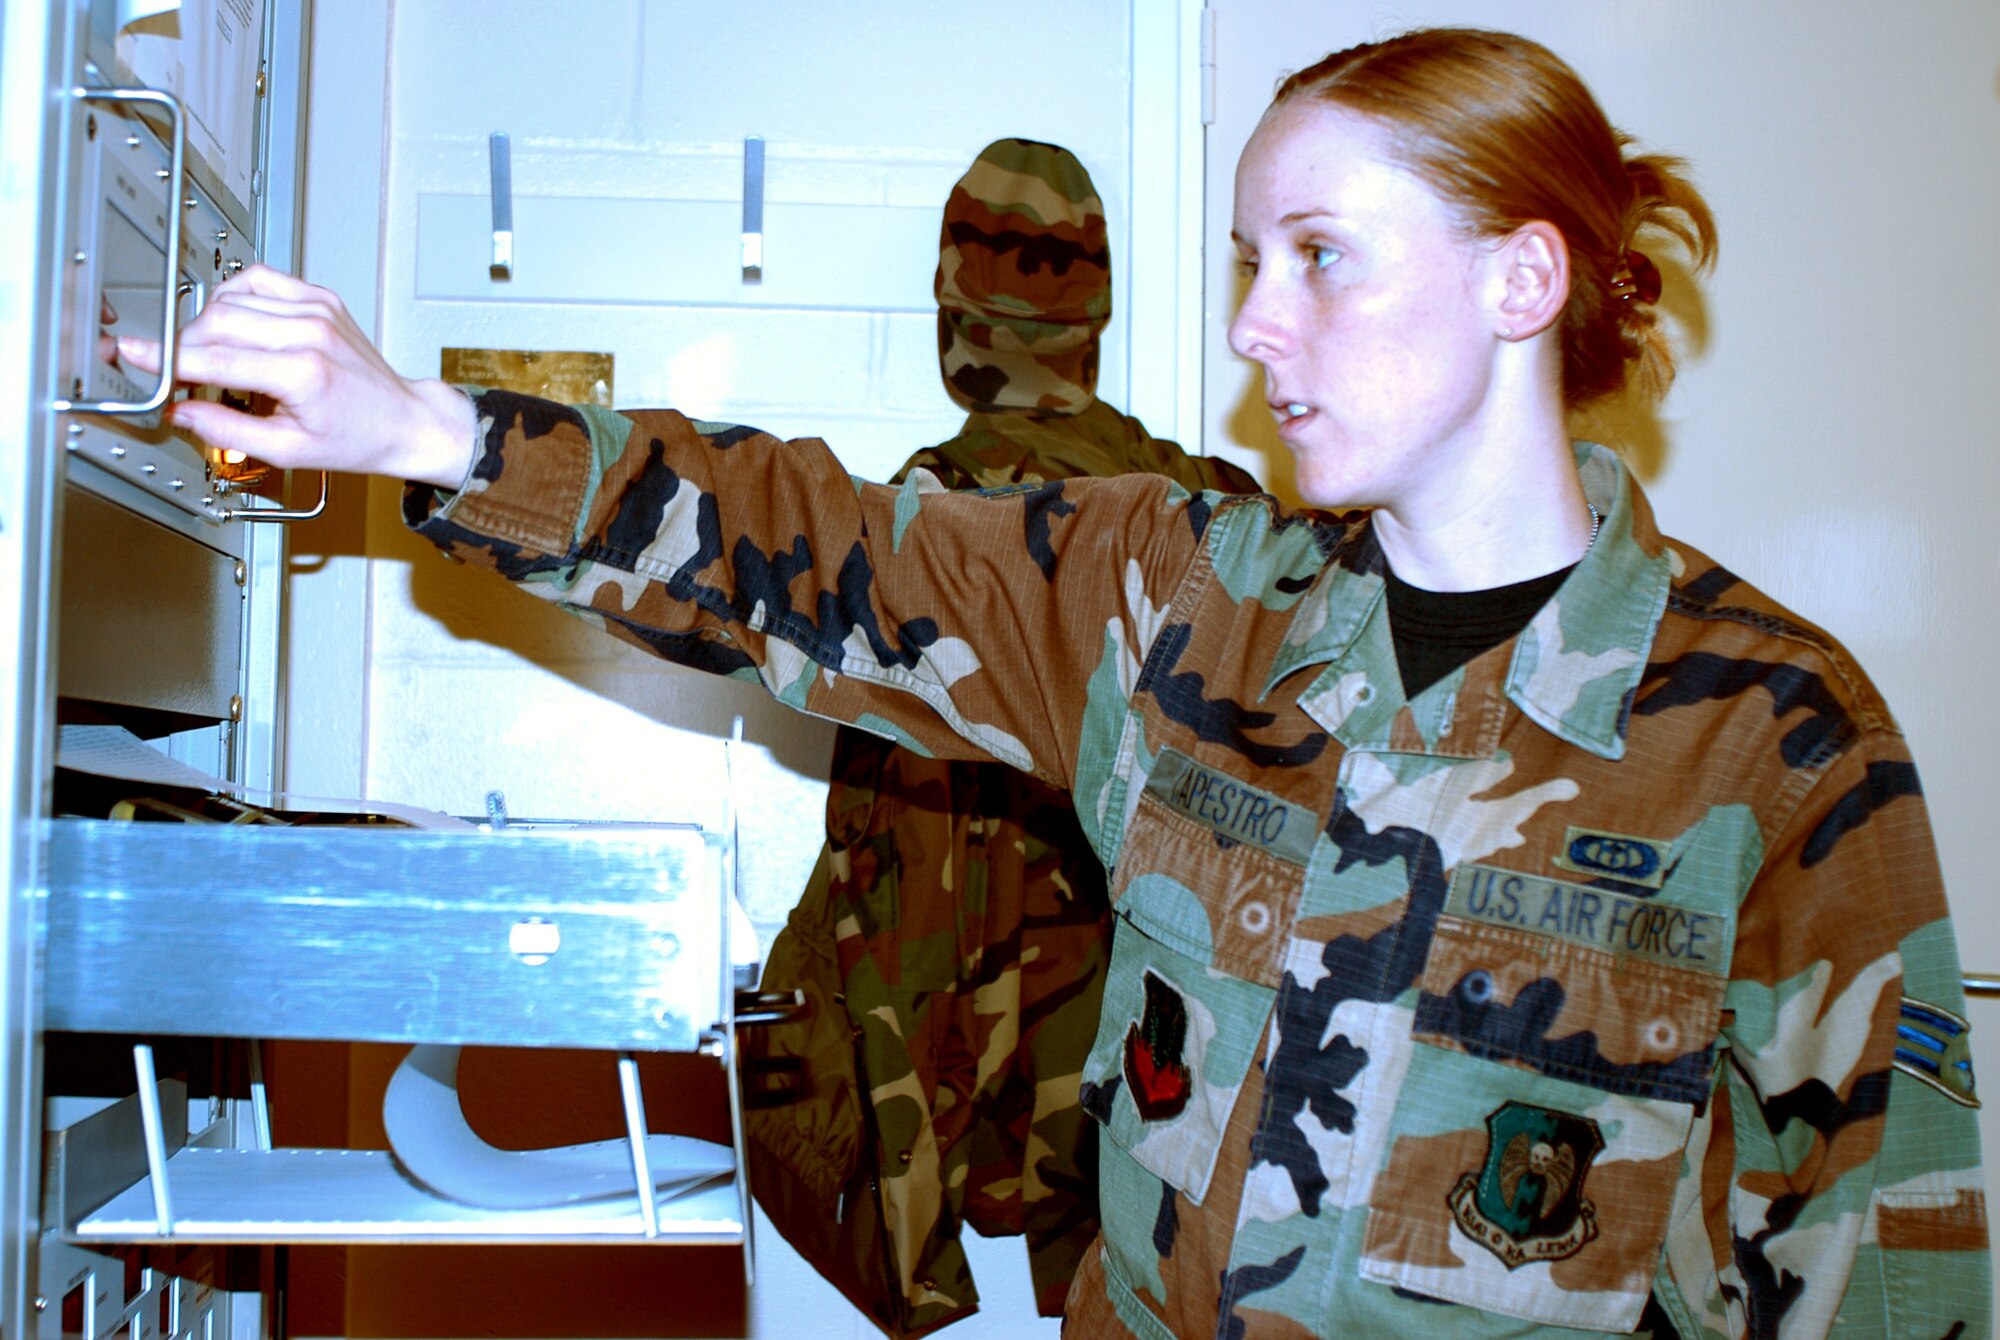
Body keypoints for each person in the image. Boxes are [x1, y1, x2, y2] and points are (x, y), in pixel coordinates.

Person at [134, 26, 1988, 1340]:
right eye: (1254, 260)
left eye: (1320, 258)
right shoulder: (1177, 606)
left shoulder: (1776, 742)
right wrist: (429, 431)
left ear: (1522, 280)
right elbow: (822, 547)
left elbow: (1879, 1264)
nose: (1258, 324)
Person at [740, 137, 1259, 1337]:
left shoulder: (922, 522)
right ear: (1094, 309)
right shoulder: (1212, 513)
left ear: (952, 308)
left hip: (987, 1072)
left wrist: (908, 1165)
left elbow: (896, 889)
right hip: (1162, 1099)